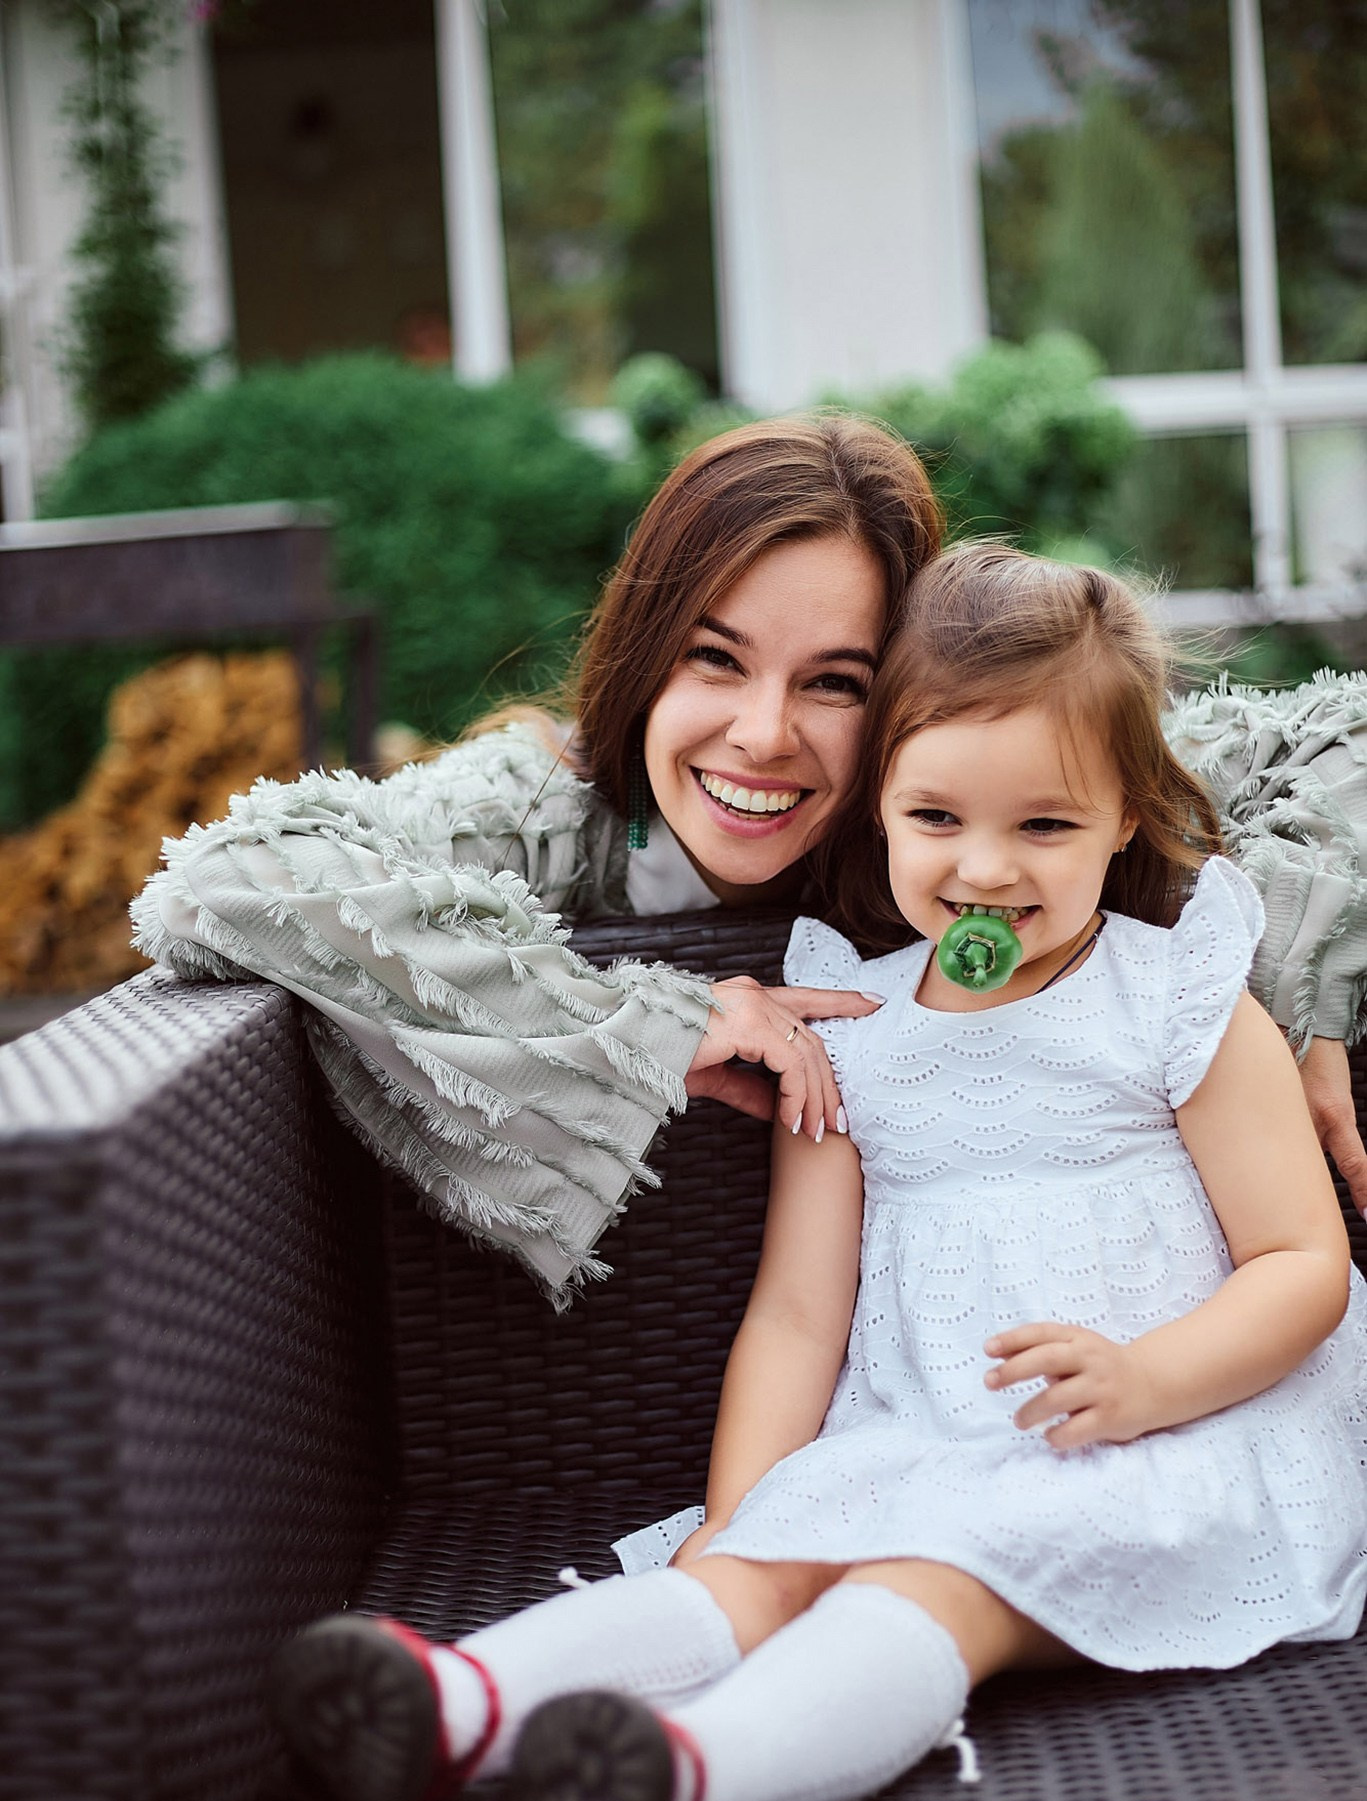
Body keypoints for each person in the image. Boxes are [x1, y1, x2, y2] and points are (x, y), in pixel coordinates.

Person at [266, 544, 1367, 1801]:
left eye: (1042, 826)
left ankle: (664, 1788)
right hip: (928, 1438)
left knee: (929, 1582)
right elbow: (798, 1312)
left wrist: (1150, 1380)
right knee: (755, 1568)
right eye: (934, 817)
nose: (981, 868)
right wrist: (743, 1510)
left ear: (1124, 819)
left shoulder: (1177, 997)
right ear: (877, 811)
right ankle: (452, 1707)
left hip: (1179, 1442)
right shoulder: (853, 1027)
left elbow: (1299, 1265)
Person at [133, 422, 1367, 1294]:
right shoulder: (552, 803)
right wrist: (647, 1017)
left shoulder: (985, 797)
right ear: (641, 651)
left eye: (834, 682)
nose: (763, 735)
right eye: (713, 659)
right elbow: (238, 870)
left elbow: (1337, 733)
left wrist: (1296, 979)